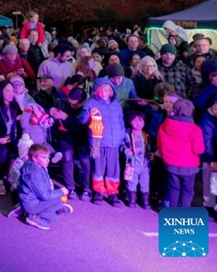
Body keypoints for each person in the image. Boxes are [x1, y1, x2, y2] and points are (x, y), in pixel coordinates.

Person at [79, 78, 124, 206]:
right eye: (102, 89)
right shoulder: (91, 103)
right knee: (98, 168)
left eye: (107, 89)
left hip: (114, 143)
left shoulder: (116, 105)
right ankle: (98, 191)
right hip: (98, 143)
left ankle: (112, 193)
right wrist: (89, 114)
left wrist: (121, 135)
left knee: (113, 170)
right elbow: (81, 120)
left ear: (111, 91)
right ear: (97, 90)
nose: (105, 92)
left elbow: (121, 122)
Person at [157, 99, 205, 208]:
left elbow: (160, 144)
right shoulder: (195, 129)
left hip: (170, 164)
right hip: (189, 166)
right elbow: (199, 150)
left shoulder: (165, 125)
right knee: (187, 191)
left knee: (174, 189)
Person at [18, 143, 73, 230]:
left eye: (48, 157)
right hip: (32, 204)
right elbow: (45, 196)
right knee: (54, 220)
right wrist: (61, 191)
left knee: (58, 201)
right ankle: (33, 217)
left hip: (34, 199)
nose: (48, 160)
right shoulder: (34, 173)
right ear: (34, 158)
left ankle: (53, 209)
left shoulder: (37, 166)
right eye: (44, 157)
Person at [121, 110, 151, 209]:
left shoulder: (146, 135)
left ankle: (145, 200)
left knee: (145, 182)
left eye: (141, 121)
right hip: (132, 163)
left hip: (144, 163)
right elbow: (121, 144)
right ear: (130, 122)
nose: (138, 124)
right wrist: (126, 151)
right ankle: (132, 199)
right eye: (135, 121)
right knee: (131, 182)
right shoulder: (127, 134)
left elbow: (149, 148)